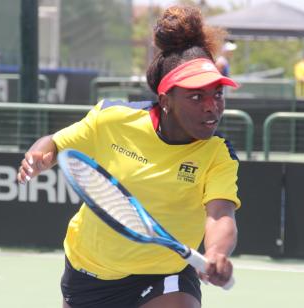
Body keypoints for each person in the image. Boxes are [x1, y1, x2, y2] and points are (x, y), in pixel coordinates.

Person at [17, 5, 240, 308]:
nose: (212, 106)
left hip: (165, 274)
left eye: (218, 94)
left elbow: (220, 214)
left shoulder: (217, 153)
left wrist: (216, 252)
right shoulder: (113, 119)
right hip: (90, 272)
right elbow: (54, 144)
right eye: (196, 96)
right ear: (166, 100)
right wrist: (39, 156)